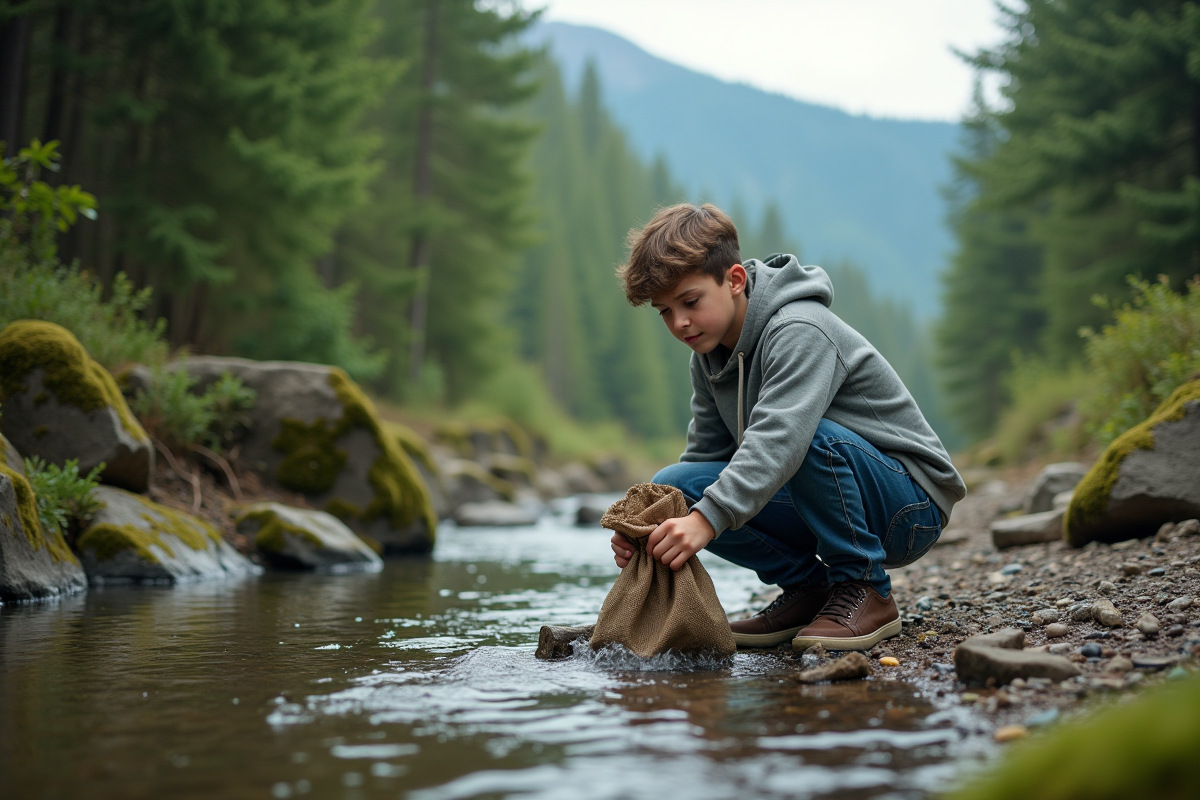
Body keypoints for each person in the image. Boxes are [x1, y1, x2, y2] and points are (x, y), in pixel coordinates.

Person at [609, 203, 966, 651]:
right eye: (664, 311)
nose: (679, 322)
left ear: (734, 280)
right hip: (824, 493)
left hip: (907, 505)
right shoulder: (708, 355)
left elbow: (781, 440)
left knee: (806, 436)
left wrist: (707, 520)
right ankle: (810, 592)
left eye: (690, 301)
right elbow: (706, 461)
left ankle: (866, 588)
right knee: (675, 488)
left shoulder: (799, 328)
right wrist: (653, 524)